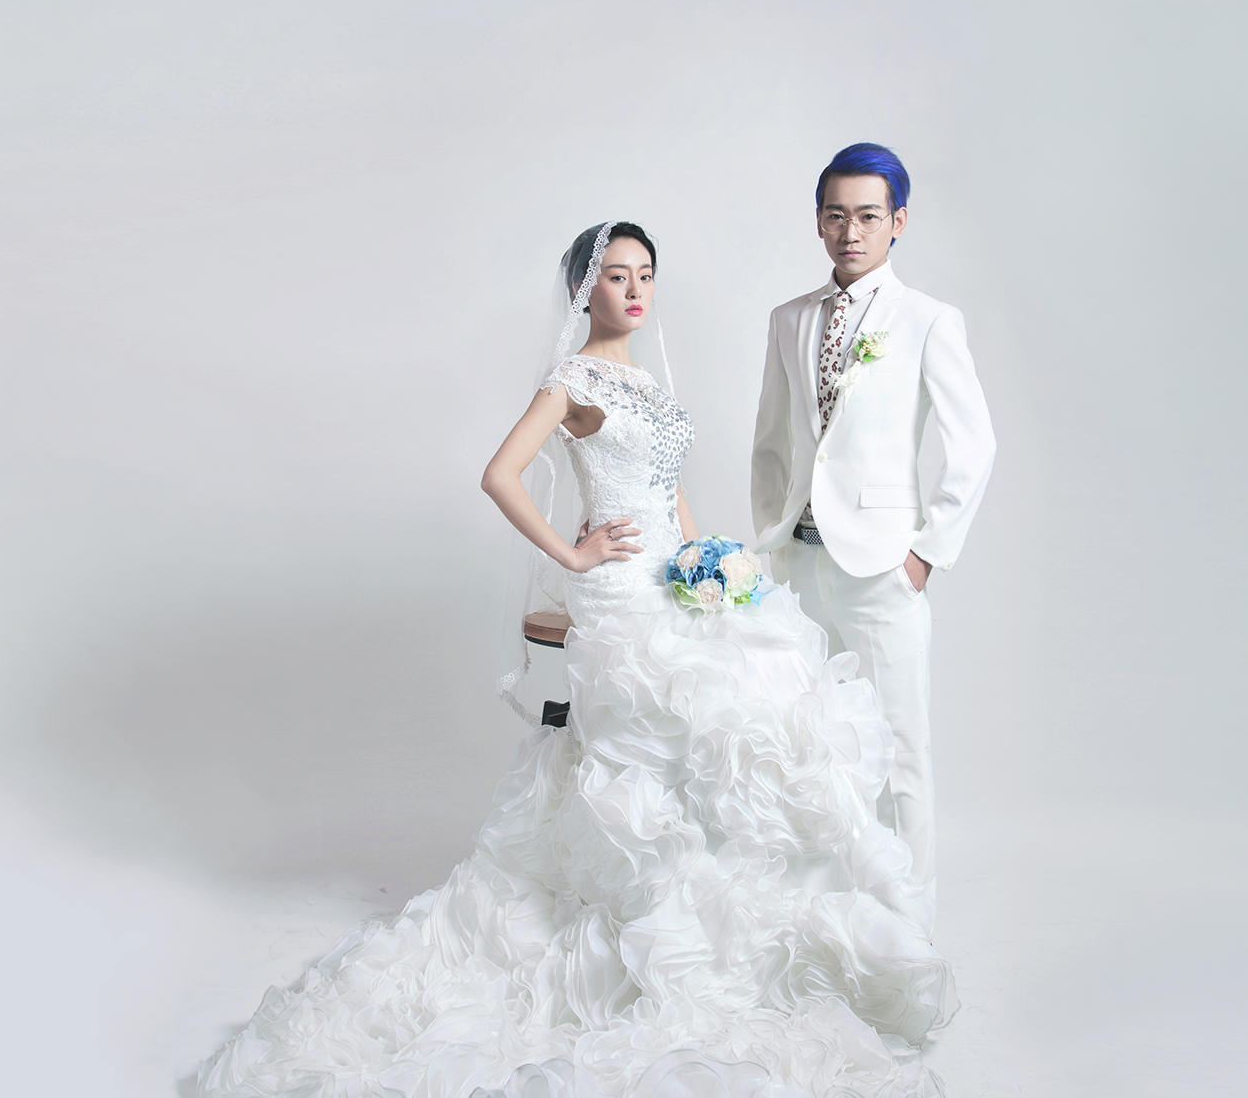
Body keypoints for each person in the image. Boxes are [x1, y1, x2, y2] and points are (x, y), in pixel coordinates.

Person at [196, 221, 957, 1097]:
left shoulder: (648, 383)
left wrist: (709, 560)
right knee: (657, 751)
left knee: (749, 727)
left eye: (646, 275)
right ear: (583, 291)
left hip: (679, 578)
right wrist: (572, 553)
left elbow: (669, 486)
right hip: (622, 591)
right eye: (617, 276)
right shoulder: (574, 380)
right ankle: (657, 922)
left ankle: (744, 934)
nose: (635, 291)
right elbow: (501, 473)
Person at [751, 144, 999, 937]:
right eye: (836, 215)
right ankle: (824, 915)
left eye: (867, 216)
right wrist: (770, 540)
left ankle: (908, 928)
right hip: (797, 563)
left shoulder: (928, 320)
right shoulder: (789, 320)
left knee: (898, 751)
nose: (850, 232)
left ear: (898, 222)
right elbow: (771, 444)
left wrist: (925, 553)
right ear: (818, 222)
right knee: (807, 742)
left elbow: (974, 446)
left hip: (883, 567)